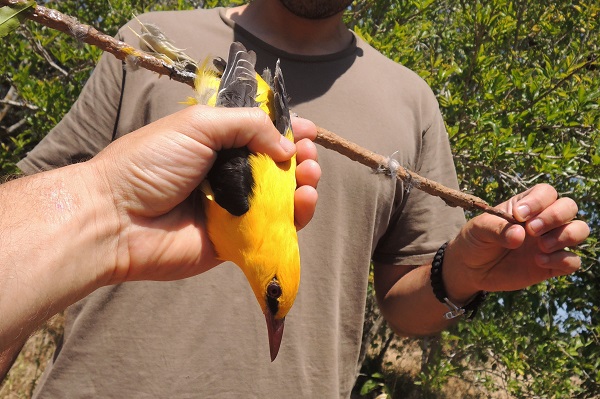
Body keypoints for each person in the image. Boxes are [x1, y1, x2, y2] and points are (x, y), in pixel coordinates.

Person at [7, 1, 589, 397]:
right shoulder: (148, 41)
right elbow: (21, 236)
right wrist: (103, 203)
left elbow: (406, 307)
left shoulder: (411, 102)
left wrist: (461, 274)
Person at [0, 105, 320, 353]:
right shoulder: (238, 198)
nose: (269, 300)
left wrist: (112, 216)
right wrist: (112, 202)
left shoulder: (246, 231)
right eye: (272, 292)